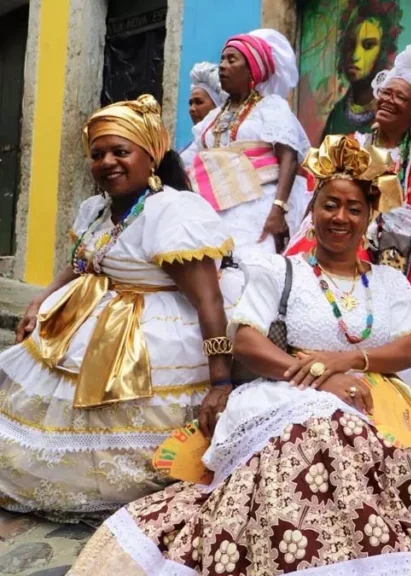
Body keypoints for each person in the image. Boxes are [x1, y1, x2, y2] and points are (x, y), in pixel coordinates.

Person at [69, 134, 411, 575]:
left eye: (354, 208)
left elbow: (409, 348)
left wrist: (346, 361)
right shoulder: (280, 270)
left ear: (369, 216)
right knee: (320, 437)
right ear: (312, 211)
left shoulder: (390, 281)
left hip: (377, 402)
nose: (340, 217)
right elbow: (248, 341)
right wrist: (315, 372)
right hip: (287, 394)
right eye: (330, 205)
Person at [0, 95, 240, 521]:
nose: (107, 162)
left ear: (151, 156)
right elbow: (78, 264)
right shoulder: (98, 209)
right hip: (93, 319)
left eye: (120, 151)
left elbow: (208, 299)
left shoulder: (172, 211)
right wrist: (40, 300)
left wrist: (219, 382)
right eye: (97, 154)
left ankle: (111, 485)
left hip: (155, 336)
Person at [289, 44, 411, 399]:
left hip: (407, 261)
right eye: (385, 93)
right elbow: (316, 201)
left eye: (399, 96)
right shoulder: (349, 146)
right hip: (346, 244)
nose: (386, 100)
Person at [186, 29, 311, 258]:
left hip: (257, 207)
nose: (222, 65)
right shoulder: (212, 118)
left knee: (249, 270)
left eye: (231, 60)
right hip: (211, 208)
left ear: (251, 69)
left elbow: (289, 158)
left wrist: (278, 209)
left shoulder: (270, 107)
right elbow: (189, 159)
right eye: (222, 59)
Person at [322, 0, 403, 139]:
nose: (355, 56)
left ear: (383, 51)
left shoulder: (392, 111)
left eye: (368, 45)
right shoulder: (337, 115)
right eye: (350, 45)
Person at [179, 62, 225, 167]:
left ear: (217, 106)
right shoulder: (190, 146)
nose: (191, 109)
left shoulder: (222, 144)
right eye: (190, 103)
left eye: (198, 102)